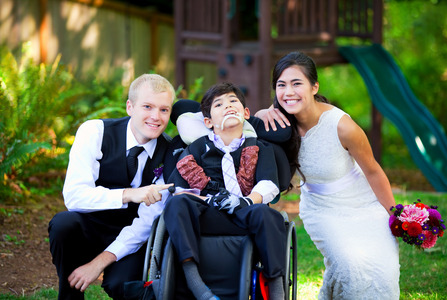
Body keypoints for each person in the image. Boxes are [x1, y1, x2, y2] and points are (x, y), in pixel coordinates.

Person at [255, 51, 400, 299]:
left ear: (314, 86)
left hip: (362, 203)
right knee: (351, 264)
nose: (288, 92)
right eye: (281, 85)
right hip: (321, 209)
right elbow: (246, 127)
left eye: (296, 83)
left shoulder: (342, 126)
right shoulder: (277, 123)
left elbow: (373, 171)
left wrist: (397, 216)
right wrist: (260, 115)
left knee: (382, 269)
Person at [48, 73, 176, 299]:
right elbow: (74, 196)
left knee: (122, 286)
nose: (156, 117)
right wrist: (129, 194)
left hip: (133, 233)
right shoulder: (95, 131)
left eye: (164, 110)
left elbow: (146, 222)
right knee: (63, 224)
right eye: (147, 106)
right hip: (89, 224)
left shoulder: (171, 153)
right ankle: (69, 295)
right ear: (130, 107)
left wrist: (98, 263)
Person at [163, 82, 287, 300]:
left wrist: (246, 201)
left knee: (267, 214)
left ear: (246, 113)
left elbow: (268, 184)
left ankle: (276, 288)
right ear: (208, 121)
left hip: (244, 212)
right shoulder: (196, 149)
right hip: (207, 214)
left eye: (233, 101)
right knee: (176, 204)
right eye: (219, 104)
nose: (228, 106)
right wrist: (210, 199)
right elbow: (179, 190)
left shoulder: (260, 147)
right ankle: (195, 283)